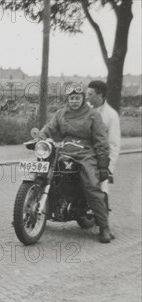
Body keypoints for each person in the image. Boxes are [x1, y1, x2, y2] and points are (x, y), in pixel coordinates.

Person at [40, 84, 112, 243]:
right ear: (68, 99)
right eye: (71, 98)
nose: (74, 101)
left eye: (77, 98)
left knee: (91, 186)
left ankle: (104, 226)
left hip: (86, 153)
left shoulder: (93, 115)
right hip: (65, 150)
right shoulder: (61, 113)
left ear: (83, 99)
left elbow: (101, 141)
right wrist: (40, 136)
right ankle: (29, 211)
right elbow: (49, 128)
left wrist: (102, 164)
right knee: (46, 172)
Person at [87, 80, 121, 196]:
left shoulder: (111, 115)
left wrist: (108, 168)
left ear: (100, 95)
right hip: (82, 156)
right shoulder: (84, 110)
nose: (87, 97)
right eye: (87, 94)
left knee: (100, 193)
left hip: (99, 160)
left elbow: (113, 144)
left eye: (90, 94)